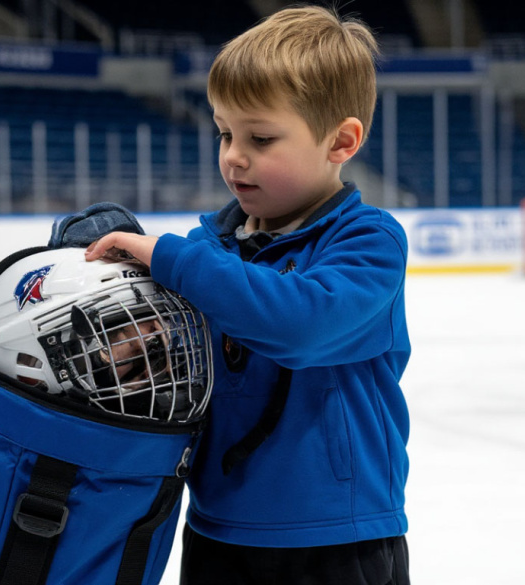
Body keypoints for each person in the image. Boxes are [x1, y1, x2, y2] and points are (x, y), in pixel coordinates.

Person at [85, 6, 411, 584]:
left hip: (336, 539)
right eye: (225, 132)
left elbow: (299, 325)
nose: (234, 155)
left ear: (341, 141)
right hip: (215, 530)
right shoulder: (209, 248)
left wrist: (171, 257)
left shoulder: (369, 243)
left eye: (260, 137)